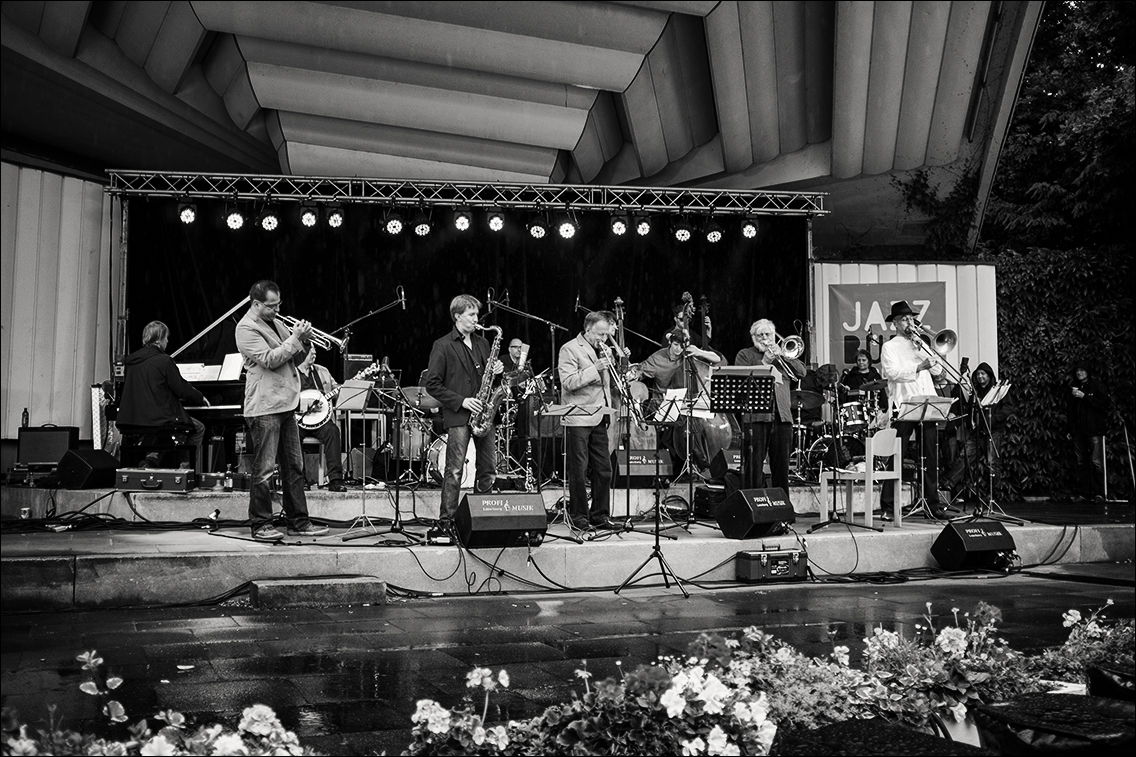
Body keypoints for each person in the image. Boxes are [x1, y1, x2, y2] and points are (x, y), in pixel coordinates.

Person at [235, 280, 329, 540]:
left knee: (294, 467)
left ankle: (298, 521)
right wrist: (295, 338)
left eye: (279, 304)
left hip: (287, 403)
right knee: (264, 469)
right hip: (265, 405)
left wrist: (304, 338)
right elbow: (269, 359)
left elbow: (292, 355)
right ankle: (261, 524)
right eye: (271, 306)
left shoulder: (275, 323)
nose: (277, 310)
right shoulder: (245, 328)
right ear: (256, 304)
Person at [425, 294, 501, 524]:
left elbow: (488, 379)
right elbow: (432, 384)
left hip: (484, 414)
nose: (476, 319)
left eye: (477, 314)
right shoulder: (443, 345)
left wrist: (497, 370)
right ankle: (447, 519)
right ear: (457, 316)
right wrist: (462, 401)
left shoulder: (483, 343)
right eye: (471, 314)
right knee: (455, 470)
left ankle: (482, 517)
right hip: (459, 414)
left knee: (488, 468)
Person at [879, 300, 946, 517]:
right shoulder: (889, 347)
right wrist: (918, 366)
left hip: (928, 402)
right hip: (905, 404)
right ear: (896, 323)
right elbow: (893, 372)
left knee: (931, 457)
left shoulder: (921, 343)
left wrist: (927, 353)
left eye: (911, 318)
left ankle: (931, 506)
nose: (910, 322)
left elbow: (937, 372)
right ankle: (888, 507)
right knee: (896, 455)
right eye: (905, 319)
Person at [558, 310, 622, 531]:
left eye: (606, 336)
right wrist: (596, 368)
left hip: (600, 415)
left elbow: (610, 383)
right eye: (600, 334)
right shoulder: (569, 349)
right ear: (588, 329)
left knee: (604, 468)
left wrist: (617, 362)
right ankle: (579, 516)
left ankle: (600, 515)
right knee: (579, 469)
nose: (603, 340)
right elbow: (568, 382)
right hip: (578, 417)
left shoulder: (601, 351)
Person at [634, 328, 725, 478]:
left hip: (685, 405)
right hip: (662, 405)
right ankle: (701, 462)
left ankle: (697, 464)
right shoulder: (658, 358)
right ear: (670, 342)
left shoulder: (688, 356)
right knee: (684, 423)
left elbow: (718, 359)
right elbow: (639, 372)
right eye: (676, 345)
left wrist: (699, 352)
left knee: (689, 420)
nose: (678, 349)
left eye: (682, 346)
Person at [117, 320, 208, 469]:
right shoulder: (164, 361)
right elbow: (182, 389)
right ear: (159, 339)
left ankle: (150, 462)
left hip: (135, 416)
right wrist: (200, 397)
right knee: (197, 428)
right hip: (158, 417)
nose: (168, 341)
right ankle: (185, 467)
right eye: (166, 337)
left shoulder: (131, 362)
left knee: (159, 430)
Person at [734, 319, 806, 492]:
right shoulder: (745, 355)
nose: (765, 338)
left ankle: (782, 512)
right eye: (760, 335)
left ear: (774, 336)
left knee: (781, 469)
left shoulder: (784, 356)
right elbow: (739, 383)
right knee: (753, 468)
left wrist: (783, 356)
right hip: (756, 418)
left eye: (768, 334)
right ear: (753, 337)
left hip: (783, 418)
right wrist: (764, 363)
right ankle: (753, 509)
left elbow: (802, 372)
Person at [942, 362, 1013, 502]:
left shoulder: (998, 390)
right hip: (976, 431)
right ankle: (947, 484)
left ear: (989, 375)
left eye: (983, 374)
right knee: (965, 457)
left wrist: (995, 419)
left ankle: (992, 495)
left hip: (993, 431)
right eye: (978, 374)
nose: (980, 376)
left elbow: (1008, 408)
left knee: (992, 463)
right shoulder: (974, 391)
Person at [296, 348, 347, 492]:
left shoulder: (322, 371)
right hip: (299, 420)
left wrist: (344, 389)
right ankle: (299, 479)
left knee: (332, 431)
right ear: (300, 353)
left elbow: (336, 389)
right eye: (310, 351)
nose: (314, 353)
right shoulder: (291, 373)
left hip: (322, 421)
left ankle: (336, 480)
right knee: (292, 434)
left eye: (315, 351)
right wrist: (305, 404)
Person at [1068, 365, 1110, 501]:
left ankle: (1099, 494)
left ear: (1088, 371)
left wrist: (1084, 396)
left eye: (1082, 370)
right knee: (1081, 462)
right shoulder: (1075, 387)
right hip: (1079, 430)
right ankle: (1084, 493)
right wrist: (1071, 429)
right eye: (1077, 371)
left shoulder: (1097, 385)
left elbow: (1104, 404)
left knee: (1096, 461)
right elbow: (1071, 411)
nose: (1079, 373)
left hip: (1094, 429)